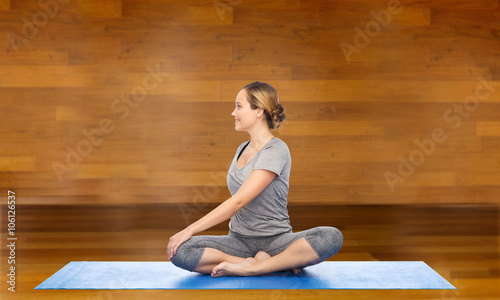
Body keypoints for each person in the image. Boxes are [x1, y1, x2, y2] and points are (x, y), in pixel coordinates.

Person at [167, 81, 343, 277]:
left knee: (331, 237)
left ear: (259, 111)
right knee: (181, 251)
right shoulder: (242, 149)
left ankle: (255, 267)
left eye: (239, 106)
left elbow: (239, 201)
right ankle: (266, 264)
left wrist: (190, 229)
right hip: (239, 242)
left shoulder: (276, 149)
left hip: (277, 241)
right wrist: (186, 236)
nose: (233, 113)